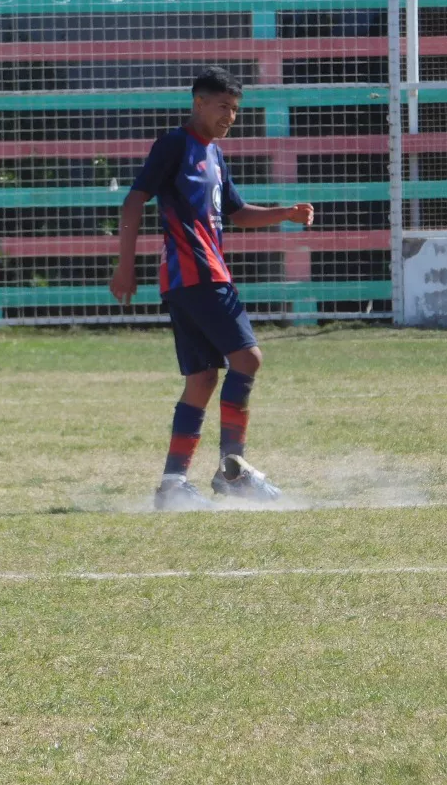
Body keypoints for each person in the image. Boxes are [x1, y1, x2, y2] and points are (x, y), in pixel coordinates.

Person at [110, 67, 313, 510]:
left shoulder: (215, 154)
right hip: (199, 274)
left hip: (192, 280)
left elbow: (237, 213)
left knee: (202, 378)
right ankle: (232, 470)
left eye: (236, 109)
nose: (230, 116)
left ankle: (171, 485)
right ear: (198, 103)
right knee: (248, 358)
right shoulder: (174, 145)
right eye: (222, 106)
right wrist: (125, 266)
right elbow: (133, 200)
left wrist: (284, 213)